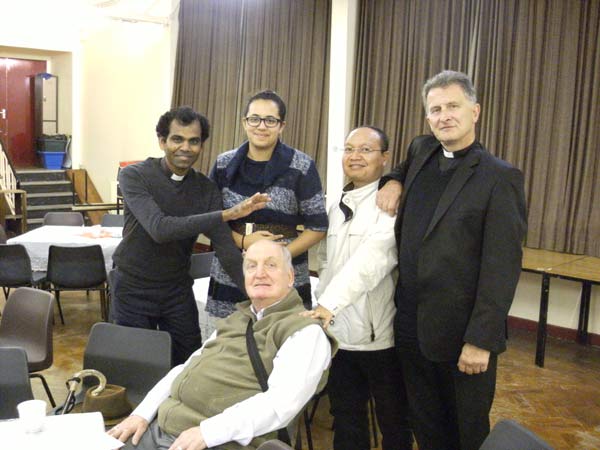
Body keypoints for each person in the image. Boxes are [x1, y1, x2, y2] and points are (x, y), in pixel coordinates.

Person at [377, 70, 527, 450]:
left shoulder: (500, 177)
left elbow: (502, 268)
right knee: (425, 424)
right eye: (436, 109)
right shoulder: (421, 150)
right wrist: (391, 180)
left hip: (462, 334)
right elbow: (401, 168)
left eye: (453, 107)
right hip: (410, 325)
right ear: (428, 117)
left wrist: (481, 340)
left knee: (466, 430)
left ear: (474, 111)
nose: (444, 116)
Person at [108, 240, 336, 450]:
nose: (260, 273)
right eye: (251, 266)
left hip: (215, 442)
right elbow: (186, 368)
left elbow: (280, 404)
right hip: (160, 428)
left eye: (271, 265)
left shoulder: (304, 332)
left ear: (290, 276)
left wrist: (207, 433)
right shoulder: (237, 318)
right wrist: (141, 414)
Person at [111, 106, 270, 365]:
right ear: (162, 141)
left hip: (176, 289)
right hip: (132, 288)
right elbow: (160, 229)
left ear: (201, 146)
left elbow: (226, 250)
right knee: (136, 365)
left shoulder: (205, 189)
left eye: (193, 141)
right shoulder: (135, 176)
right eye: (177, 139)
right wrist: (226, 214)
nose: (185, 147)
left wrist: (257, 295)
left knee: (189, 362)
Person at [305, 126, 412, 450]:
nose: (355, 156)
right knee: (346, 418)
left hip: (378, 337)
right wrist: (325, 305)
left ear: (385, 158)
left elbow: (373, 261)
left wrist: (329, 302)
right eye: (349, 149)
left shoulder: (390, 204)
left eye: (366, 150)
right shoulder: (336, 204)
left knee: (393, 420)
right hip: (338, 334)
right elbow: (325, 260)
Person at [207, 90, 327, 327]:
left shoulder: (301, 165)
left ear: (282, 126)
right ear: (245, 122)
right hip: (231, 266)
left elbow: (318, 226)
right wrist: (243, 241)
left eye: (270, 120)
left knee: (283, 337)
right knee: (228, 339)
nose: (261, 126)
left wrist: (276, 259)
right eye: (255, 119)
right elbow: (210, 220)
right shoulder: (223, 164)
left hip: (283, 270)